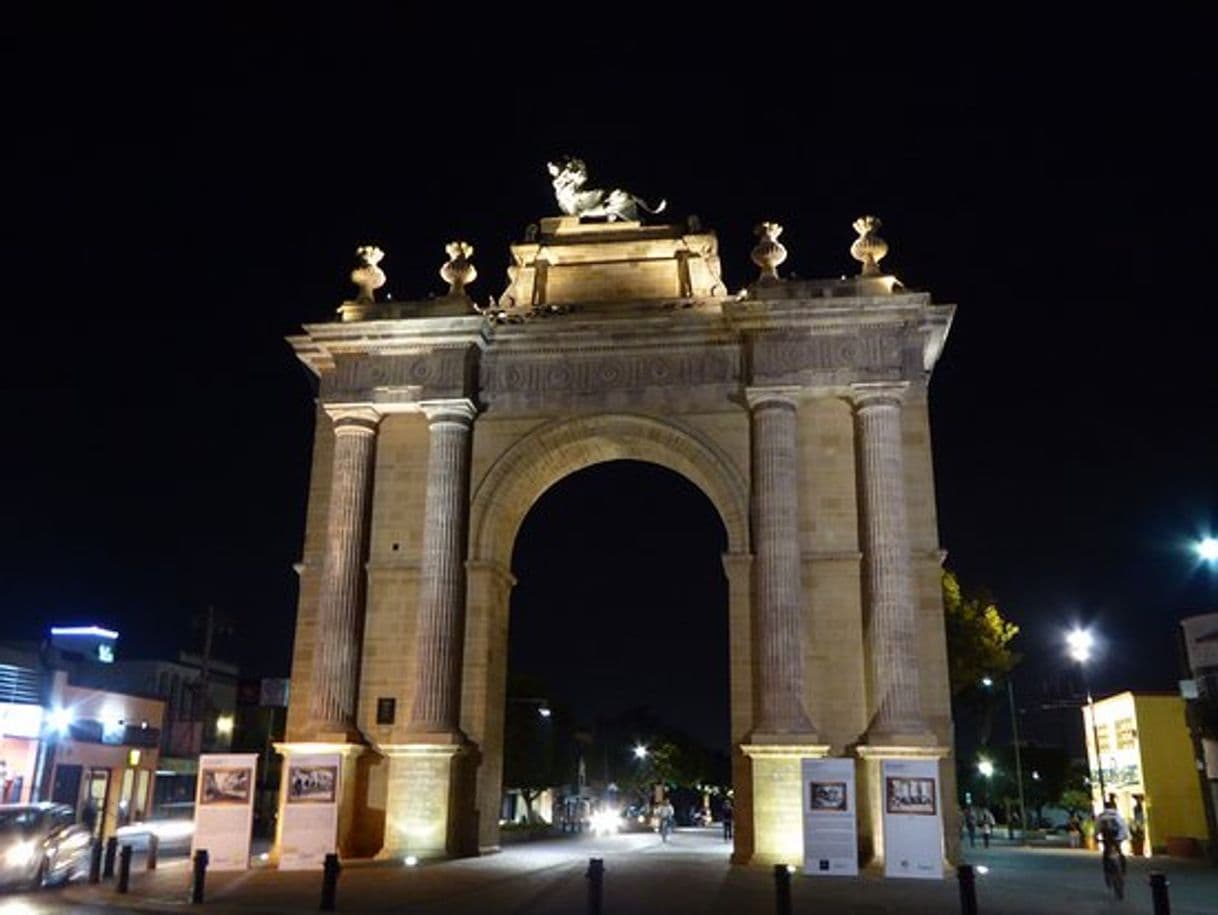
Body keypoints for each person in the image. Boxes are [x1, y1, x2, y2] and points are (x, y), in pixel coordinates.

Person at [1096, 799, 1129, 876]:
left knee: (1106, 853)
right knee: (1119, 851)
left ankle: (1107, 870)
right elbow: (1123, 827)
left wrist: (1096, 837)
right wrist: (1124, 837)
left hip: (1106, 838)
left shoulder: (1101, 816)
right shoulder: (1117, 815)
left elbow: (1097, 828)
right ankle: (1123, 869)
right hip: (1117, 837)